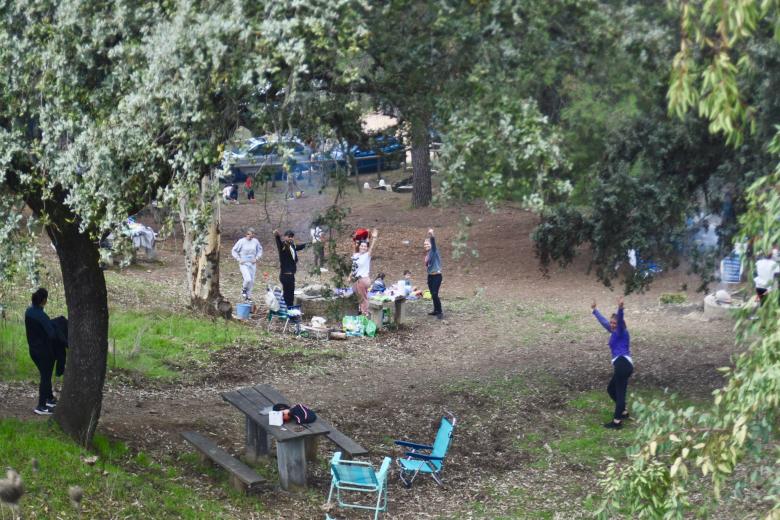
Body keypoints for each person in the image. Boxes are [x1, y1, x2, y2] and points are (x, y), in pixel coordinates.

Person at [591, 296, 633, 429]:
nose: (612, 325)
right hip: (624, 365)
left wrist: (620, 308)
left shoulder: (621, 331)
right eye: (612, 323)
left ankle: (617, 422)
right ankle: (624, 411)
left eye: (615, 323)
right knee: (611, 389)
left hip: (622, 364)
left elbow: (619, 319)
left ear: (620, 324)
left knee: (620, 393)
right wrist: (595, 310)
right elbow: (604, 322)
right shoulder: (614, 331)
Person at [24, 288, 57, 415]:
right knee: (45, 377)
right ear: (44, 300)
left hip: (33, 351)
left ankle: (49, 399)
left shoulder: (29, 311)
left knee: (45, 374)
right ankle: (41, 406)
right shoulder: (42, 316)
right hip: (44, 352)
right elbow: (52, 334)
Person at [274, 229, 307, 307]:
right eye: (289, 236)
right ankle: (287, 310)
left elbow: (301, 246)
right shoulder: (283, 246)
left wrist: (312, 243)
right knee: (287, 295)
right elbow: (279, 243)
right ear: (285, 237)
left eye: (292, 237)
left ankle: (290, 309)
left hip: (291, 275)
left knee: (291, 294)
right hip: (285, 275)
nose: (290, 238)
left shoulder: (292, 246)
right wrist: (277, 236)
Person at [351, 229, 378, 316]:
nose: (363, 247)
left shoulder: (367, 255)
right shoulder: (355, 255)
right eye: (361, 246)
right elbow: (354, 267)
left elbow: (372, 247)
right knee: (357, 294)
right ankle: (361, 310)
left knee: (363, 297)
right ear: (359, 246)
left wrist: (374, 238)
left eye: (365, 246)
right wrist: (350, 275)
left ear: (366, 248)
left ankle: (365, 313)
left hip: (363, 279)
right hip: (356, 279)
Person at [231, 228, 263, 302]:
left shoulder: (255, 241)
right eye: (248, 234)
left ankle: (248, 297)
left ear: (253, 235)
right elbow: (234, 251)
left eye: (251, 234)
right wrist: (238, 259)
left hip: (252, 263)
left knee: (251, 281)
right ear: (246, 234)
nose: (249, 236)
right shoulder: (241, 241)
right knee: (247, 279)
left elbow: (260, 250)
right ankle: (243, 289)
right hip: (243, 263)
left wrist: (257, 258)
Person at [424, 228, 443, 318]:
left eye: (427, 244)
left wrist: (431, 235)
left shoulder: (434, 251)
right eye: (424, 244)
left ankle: (440, 312)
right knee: (432, 294)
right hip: (430, 277)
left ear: (431, 245)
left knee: (435, 293)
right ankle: (435, 310)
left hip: (437, 276)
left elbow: (433, 242)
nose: (425, 245)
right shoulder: (428, 254)